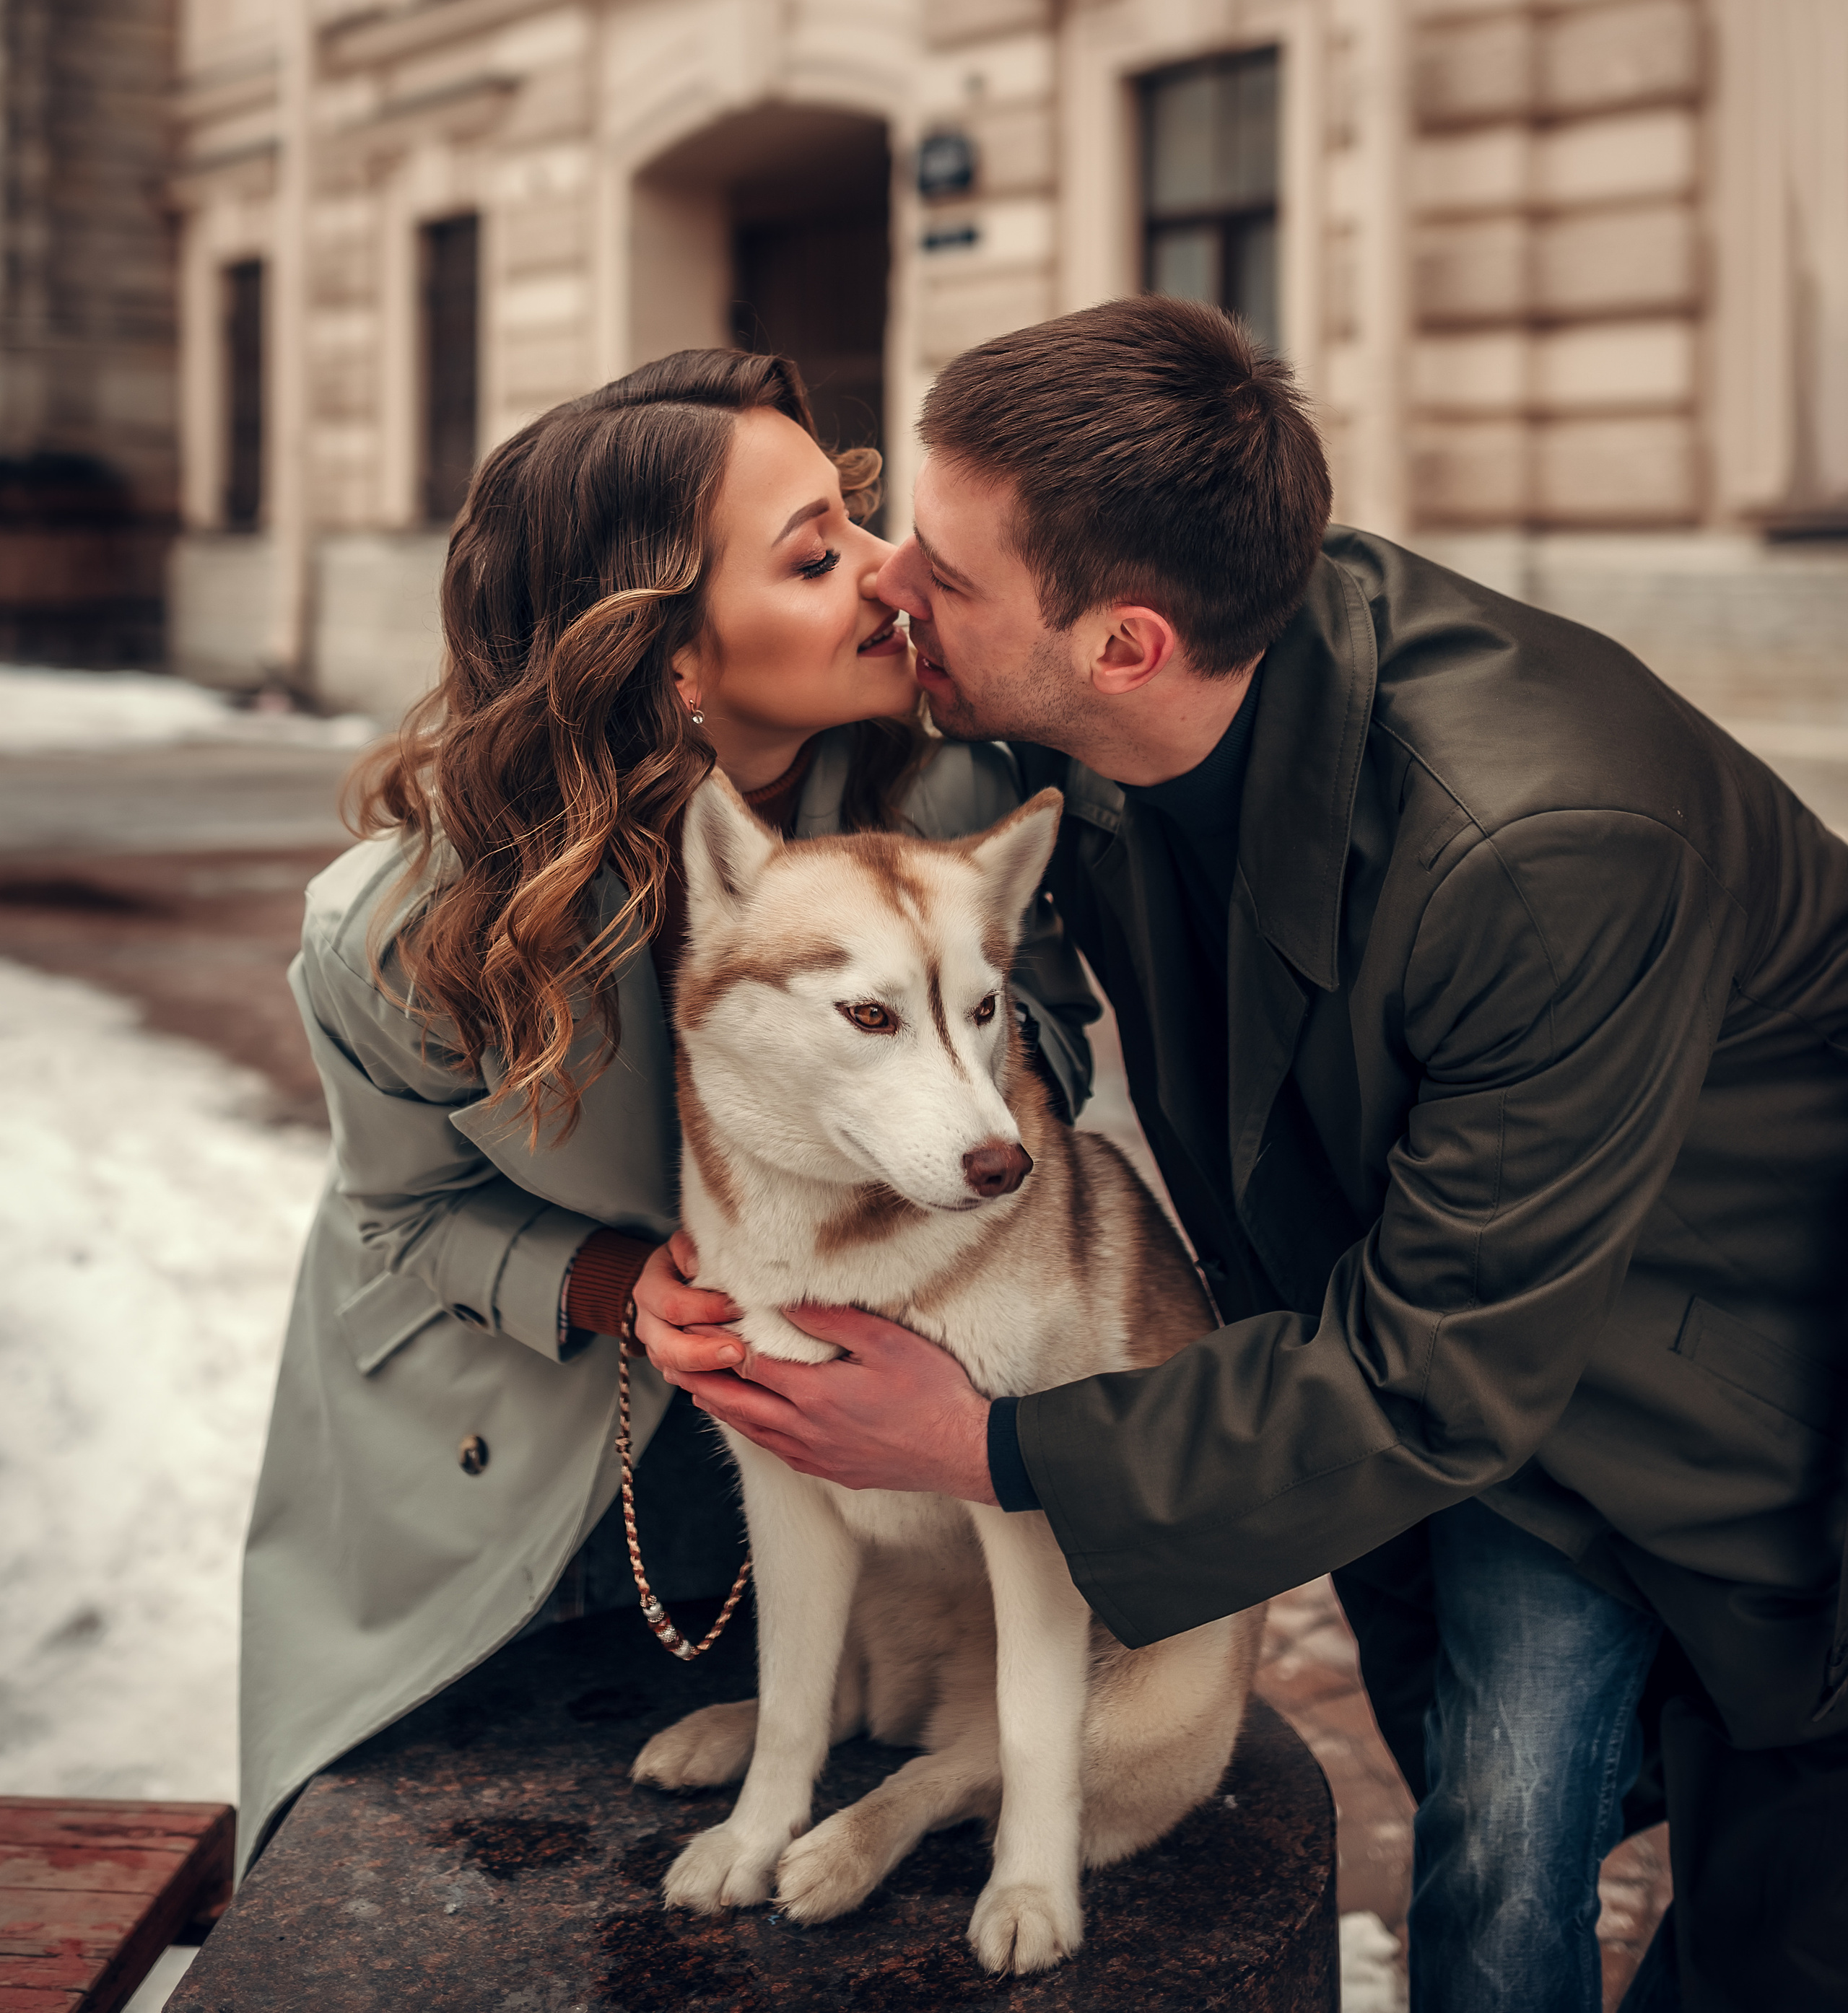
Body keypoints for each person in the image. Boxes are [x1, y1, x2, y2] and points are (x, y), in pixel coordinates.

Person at [638, 298, 1848, 2013]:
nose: (894, 579)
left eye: (946, 568)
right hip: (1447, 1326)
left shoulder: (1536, 845)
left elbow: (1442, 1370)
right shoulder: (1107, 697)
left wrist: (995, 1440)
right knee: (1492, 1834)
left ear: (1122, 643)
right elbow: (1003, 975)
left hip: (1721, 1387)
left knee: (1776, 1917)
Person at [236, 347, 1098, 1875]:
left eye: (858, 524)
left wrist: (930, 1115)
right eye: (816, 555)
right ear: (673, 660)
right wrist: (619, 1284)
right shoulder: (402, 926)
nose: (889, 573)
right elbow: (400, 1209)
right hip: (506, 1458)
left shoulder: (949, 797)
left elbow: (1046, 1053)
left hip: (827, 1443)